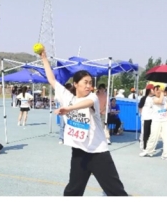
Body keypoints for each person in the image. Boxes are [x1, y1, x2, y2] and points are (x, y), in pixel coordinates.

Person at [38, 47, 128, 196]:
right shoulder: (67, 96)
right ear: (75, 84)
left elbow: (86, 104)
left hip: (98, 152)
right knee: (73, 190)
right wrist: (44, 58)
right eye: (85, 82)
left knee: (116, 191)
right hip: (79, 152)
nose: (88, 86)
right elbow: (52, 80)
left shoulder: (92, 97)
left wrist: (69, 108)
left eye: (90, 83)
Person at [140, 86, 167, 160]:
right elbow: (160, 101)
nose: (158, 91)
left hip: (165, 120)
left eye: (159, 90)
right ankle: (148, 151)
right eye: (156, 90)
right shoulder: (153, 99)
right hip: (156, 120)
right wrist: (162, 93)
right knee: (153, 137)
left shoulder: (166, 99)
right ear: (154, 91)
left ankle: (166, 154)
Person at [138, 84, 155, 150]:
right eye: (153, 89)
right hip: (145, 117)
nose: (154, 90)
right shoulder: (144, 98)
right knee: (144, 132)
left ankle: (149, 145)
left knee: (150, 132)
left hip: (152, 117)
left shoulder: (154, 98)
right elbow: (140, 107)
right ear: (149, 90)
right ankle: (143, 145)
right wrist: (142, 114)